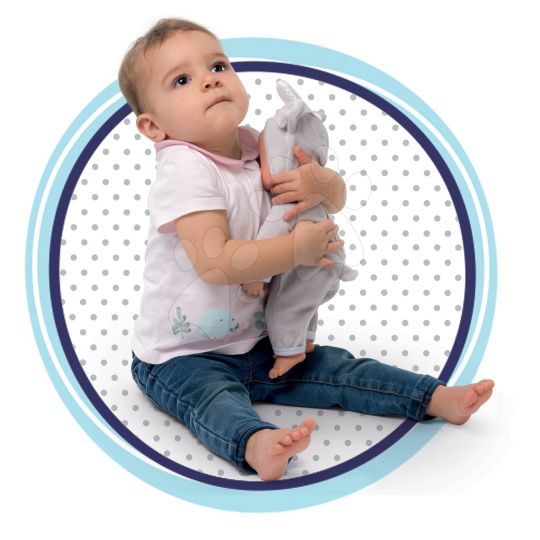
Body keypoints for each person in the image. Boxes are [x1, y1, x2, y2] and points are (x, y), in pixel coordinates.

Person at [119, 18, 495, 482]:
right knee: (212, 399)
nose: (210, 80)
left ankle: (432, 397)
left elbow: (318, 202)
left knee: (337, 369)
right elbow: (216, 264)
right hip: (180, 355)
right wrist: (296, 249)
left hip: (259, 343)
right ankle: (255, 443)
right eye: (181, 80)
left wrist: (327, 186)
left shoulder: (258, 146)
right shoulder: (184, 170)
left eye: (218, 66)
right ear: (153, 126)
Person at [242, 79, 358, 379]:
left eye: (264, 161)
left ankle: (289, 352)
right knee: (305, 301)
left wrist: (256, 274)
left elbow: (269, 237)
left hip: (315, 262)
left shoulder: (288, 206)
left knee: (284, 307)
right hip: (331, 261)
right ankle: (305, 339)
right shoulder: (314, 201)